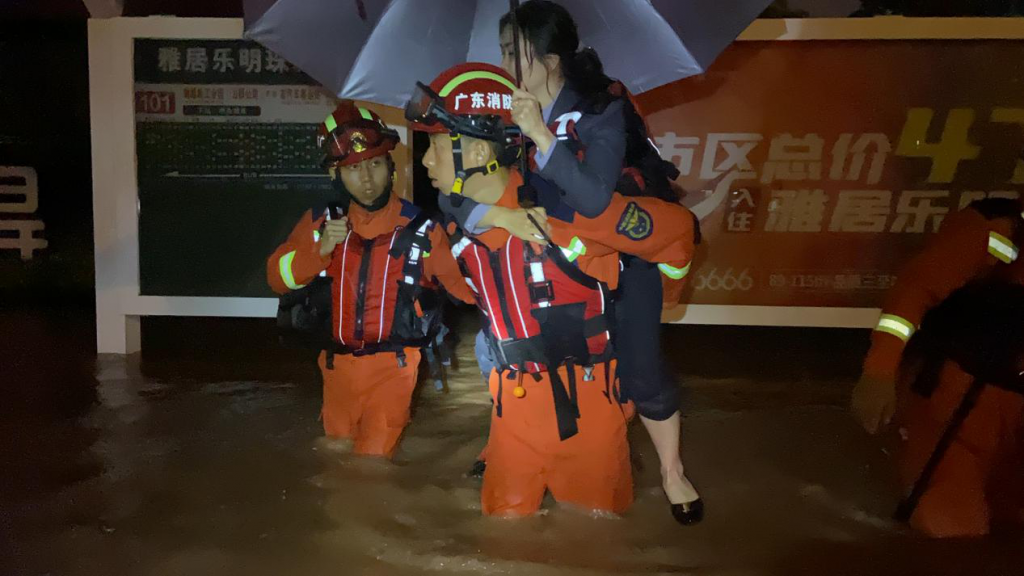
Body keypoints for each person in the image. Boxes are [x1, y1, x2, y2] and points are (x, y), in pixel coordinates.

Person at [437, 0, 703, 523]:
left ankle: (672, 471)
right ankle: (512, 441)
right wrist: (496, 214)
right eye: (502, 51)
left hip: (617, 254)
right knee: (509, 350)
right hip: (546, 257)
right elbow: (452, 187)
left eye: (514, 52)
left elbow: (594, 200)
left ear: (552, 59)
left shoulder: (601, 110)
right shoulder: (499, 115)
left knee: (639, 370)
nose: (504, 63)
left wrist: (539, 135)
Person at [267, 101, 472, 459]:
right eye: (353, 168)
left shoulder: (424, 230)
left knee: (371, 466)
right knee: (334, 455)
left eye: (375, 164)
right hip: (336, 369)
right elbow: (276, 278)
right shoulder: (319, 223)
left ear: (391, 167)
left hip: (394, 368)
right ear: (335, 175)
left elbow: (469, 291)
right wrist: (319, 251)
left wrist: (487, 243)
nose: (366, 178)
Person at [851, 196, 1024, 537]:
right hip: (959, 401)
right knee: (952, 528)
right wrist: (879, 371)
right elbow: (915, 290)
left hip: (1011, 415)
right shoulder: (995, 230)